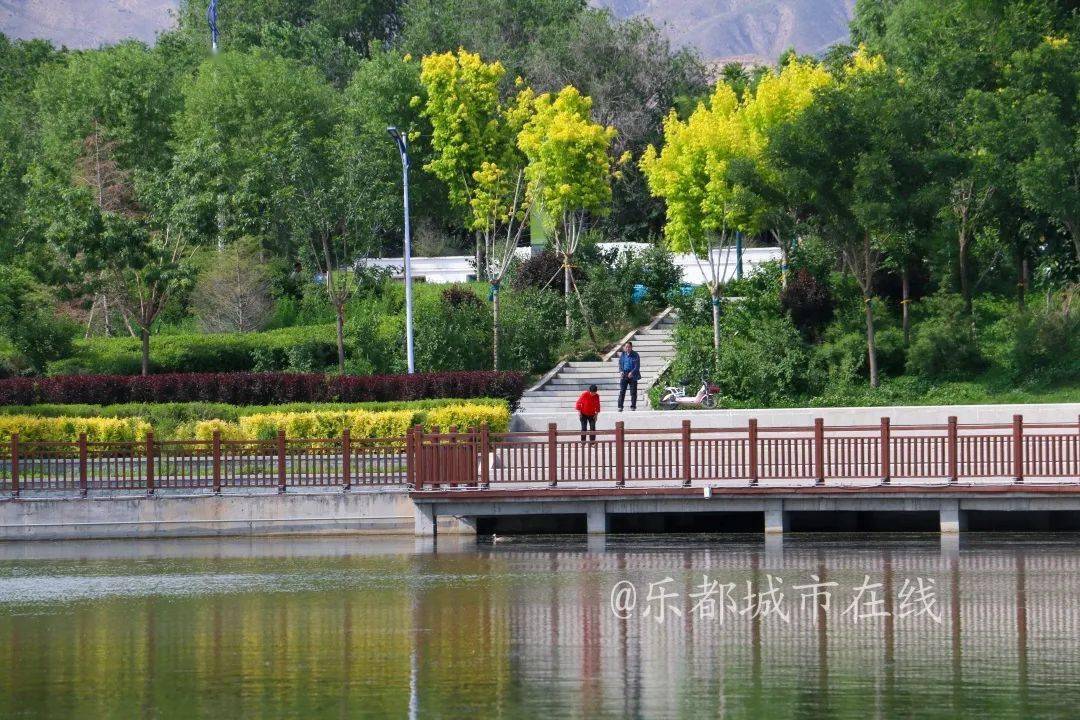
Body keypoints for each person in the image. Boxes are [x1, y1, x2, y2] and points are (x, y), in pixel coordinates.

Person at [617, 341, 641, 411]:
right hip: (624, 374)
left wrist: (632, 373)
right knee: (622, 391)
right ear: (624, 347)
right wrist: (621, 371)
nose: (627, 348)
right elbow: (620, 364)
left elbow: (637, 366)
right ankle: (620, 406)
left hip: (633, 375)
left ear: (631, 347)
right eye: (626, 347)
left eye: (629, 347)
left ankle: (633, 406)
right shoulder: (623, 354)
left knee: (633, 392)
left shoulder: (635, 354)